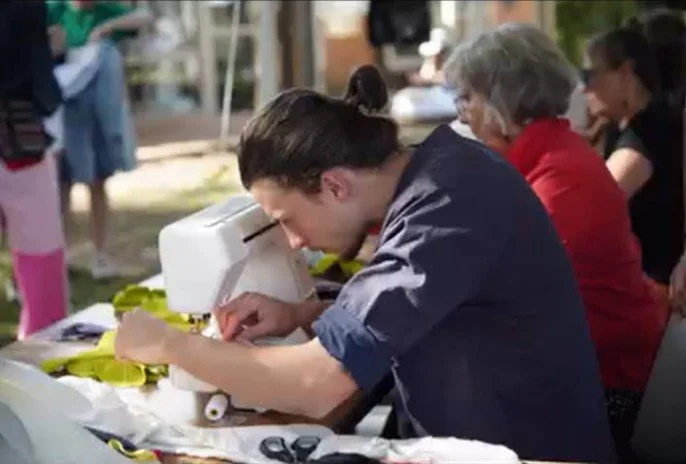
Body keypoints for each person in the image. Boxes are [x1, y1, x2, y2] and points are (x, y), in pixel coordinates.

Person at [114, 65, 615, 463]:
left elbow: (317, 385)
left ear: (334, 185)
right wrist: (303, 314)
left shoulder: (445, 208)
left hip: (529, 454)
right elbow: (434, 305)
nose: (291, 242)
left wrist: (169, 345)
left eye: (288, 219)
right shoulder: (440, 171)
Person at [444, 22, 668, 461]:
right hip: (579, 375)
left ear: (499, 101)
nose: (461, 113)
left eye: (466, 97)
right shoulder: (545, 159)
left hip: (610, 390)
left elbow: (495, 292)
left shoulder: (562, 178)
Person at [46, 0, 152, 279]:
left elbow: (143, 18)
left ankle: (100, 253)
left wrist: (105, 28)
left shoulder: (103, 10)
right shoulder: (54, 10)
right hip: (66, 113)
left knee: (97, 183)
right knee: (62, 186)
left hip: (96, 115)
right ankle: (62, 254)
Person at [583, 25, 685, 299]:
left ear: (625, 72)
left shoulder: (651, 129)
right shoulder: (622, 127)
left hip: (658, 296)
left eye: (591, 75)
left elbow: (592, 203)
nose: (585, 88)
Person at [0, 1, 68, 338]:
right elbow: (38, 69)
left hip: (18, 140)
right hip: (19, 139)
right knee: (41, 269)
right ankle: (42, 360)